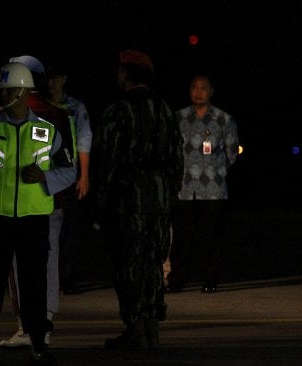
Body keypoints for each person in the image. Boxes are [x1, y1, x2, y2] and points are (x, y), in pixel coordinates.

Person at [0, 61, 74, 366]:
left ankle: (38, 343)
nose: (3, 95)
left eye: (8, 90)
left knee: (34, 284)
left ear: (23, 91)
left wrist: (46, 178)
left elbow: (70, 170)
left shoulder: (47, 130)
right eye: (2, 90)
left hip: (34, 220)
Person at [94, 49, 183, 350]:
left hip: (127, 199)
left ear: (127, 76)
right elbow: (176, 158)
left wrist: (100, 204)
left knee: (128, 266)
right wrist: (170, 196)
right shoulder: (165, 110)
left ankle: (136, 332)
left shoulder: (117, 112)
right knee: (153, 265)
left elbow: (108, 161)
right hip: (158, 198)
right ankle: (152, 333)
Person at [0, 55, 76, 350]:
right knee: (47, 263)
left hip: (16, 205)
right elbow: (66, 166)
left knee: (21, 268)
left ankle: (28, 327)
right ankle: (41, 325)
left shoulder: (7, 116)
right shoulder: (57, 114)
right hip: (48, 203)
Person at [165, 74, 239, 294]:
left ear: (212, 91)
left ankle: (210, 279)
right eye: (194, 87)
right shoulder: (178, 118)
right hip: (185, 188)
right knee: (181, 237)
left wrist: (216, 170)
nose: (198, 91)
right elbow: (171, 150)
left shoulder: (223, 119)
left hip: (213, 190)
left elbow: (232, 152)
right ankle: (177, 279)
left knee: (211, 237)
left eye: (203, 88)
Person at [45, 59, 93, 295]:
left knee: (70, 230)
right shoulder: (39, 105)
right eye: (49, 77)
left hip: (68, 175)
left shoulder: (75, 107)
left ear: (64, 79)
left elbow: (84, 141)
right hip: (44, 174)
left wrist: (84, 176)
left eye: (57, 77)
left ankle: (69, 276)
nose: (52, 82)